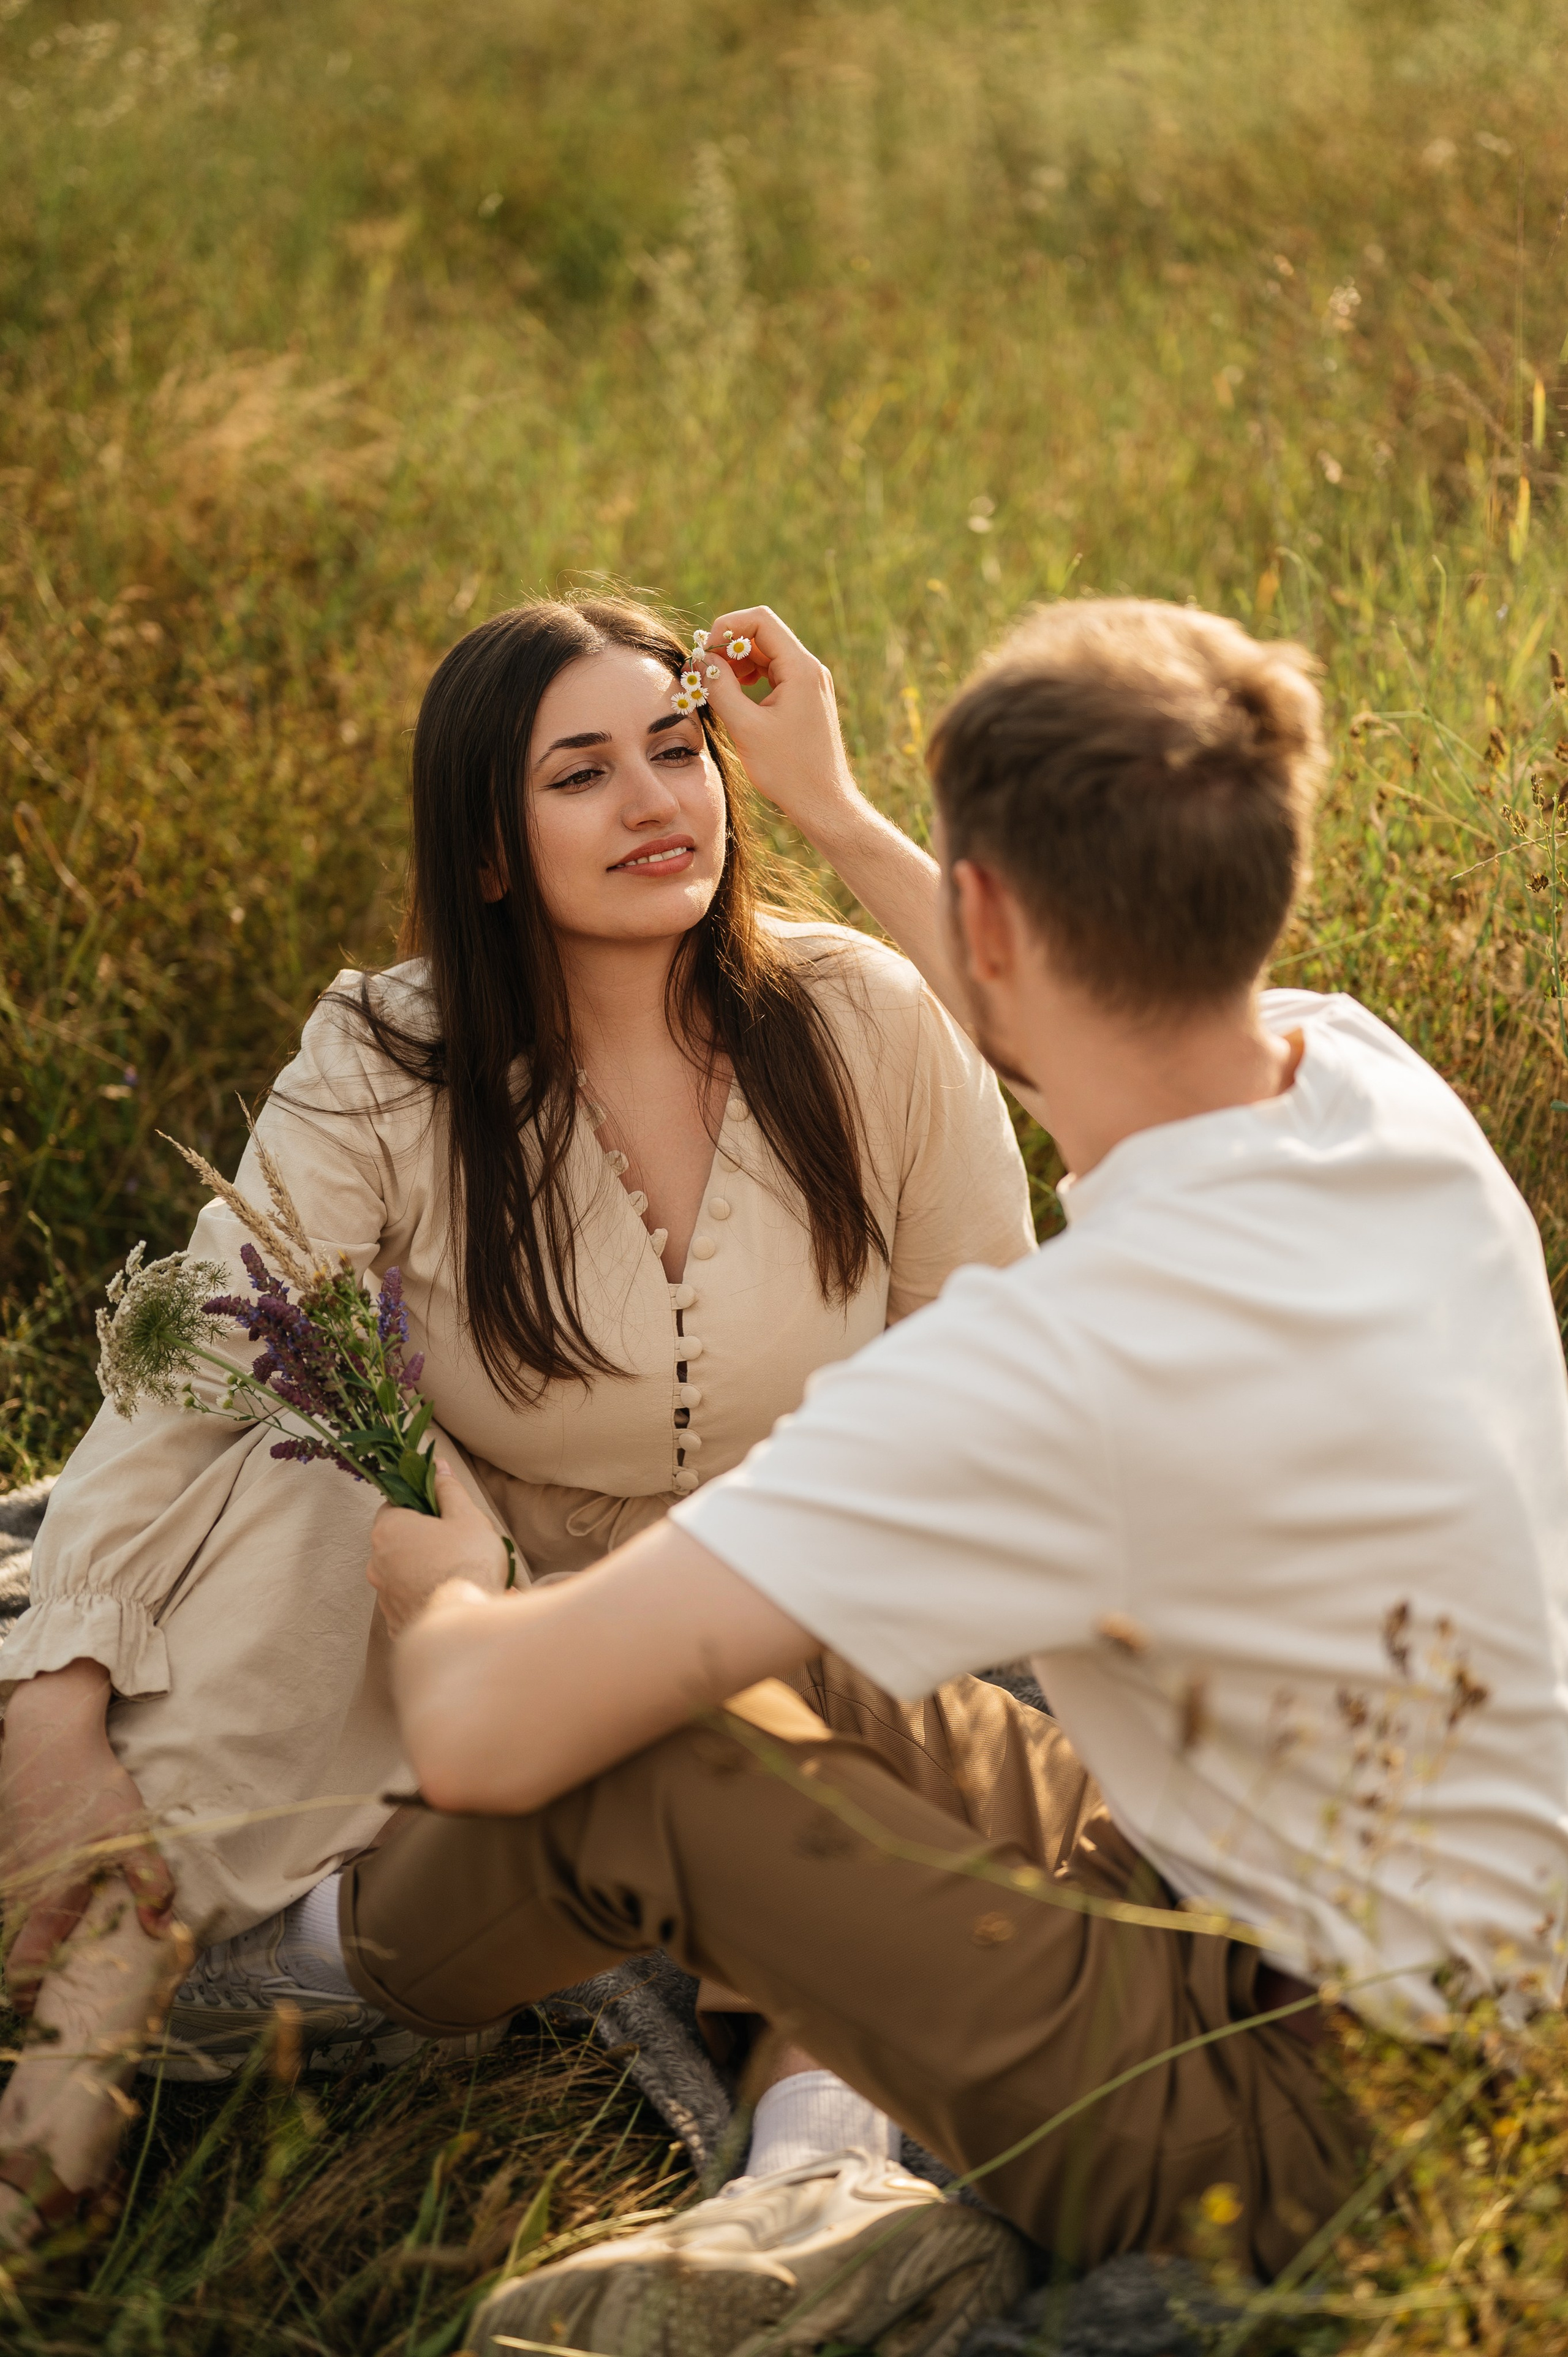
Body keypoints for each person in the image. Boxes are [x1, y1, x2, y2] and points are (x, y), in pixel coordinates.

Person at [332, 596, 1568, 2357]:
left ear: (984, 919)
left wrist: (438, 1568)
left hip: (1325, 2133)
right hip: (1334, 1933)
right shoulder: (1370, 1095)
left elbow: (477, 1736)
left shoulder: (1055, 1368)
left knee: (639, 1746)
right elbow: (1090, 1019)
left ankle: (301, 1983)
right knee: (781, 1650)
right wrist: (831, 809)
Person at [0, 596, 1033, 2243]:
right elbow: (192, 1373)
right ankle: (94, 2026)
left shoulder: (863, 1020)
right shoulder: (383, 1058)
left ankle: (810, 2192)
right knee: (313, 1450)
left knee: (817, 1756)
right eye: (583, 774)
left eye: (680, 749)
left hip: (793, 1588)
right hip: (459, 1615)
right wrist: (55, 1707)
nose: (658, 802)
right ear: (490, 851)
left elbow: (992, 1373)